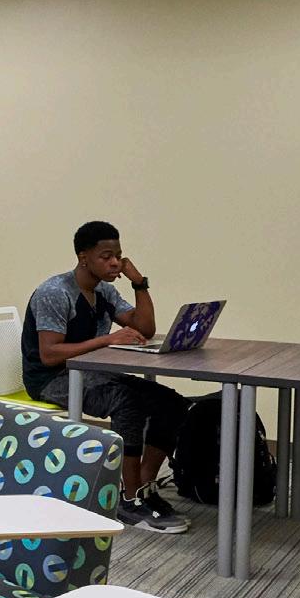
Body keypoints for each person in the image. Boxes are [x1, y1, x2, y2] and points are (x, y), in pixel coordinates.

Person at [21, 221, 192, 533]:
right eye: (106, 256)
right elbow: (50, 354)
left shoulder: (104, 291)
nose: (115, 263)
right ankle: (128, 499)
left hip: (91, 373)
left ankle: (143, 487)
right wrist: (108, 339)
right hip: (51, 379)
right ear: (83, 257)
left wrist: (139, 284)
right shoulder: (55, 292)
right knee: (126, 402)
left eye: (118, 256)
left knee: (170, 401)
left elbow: (145, 328)